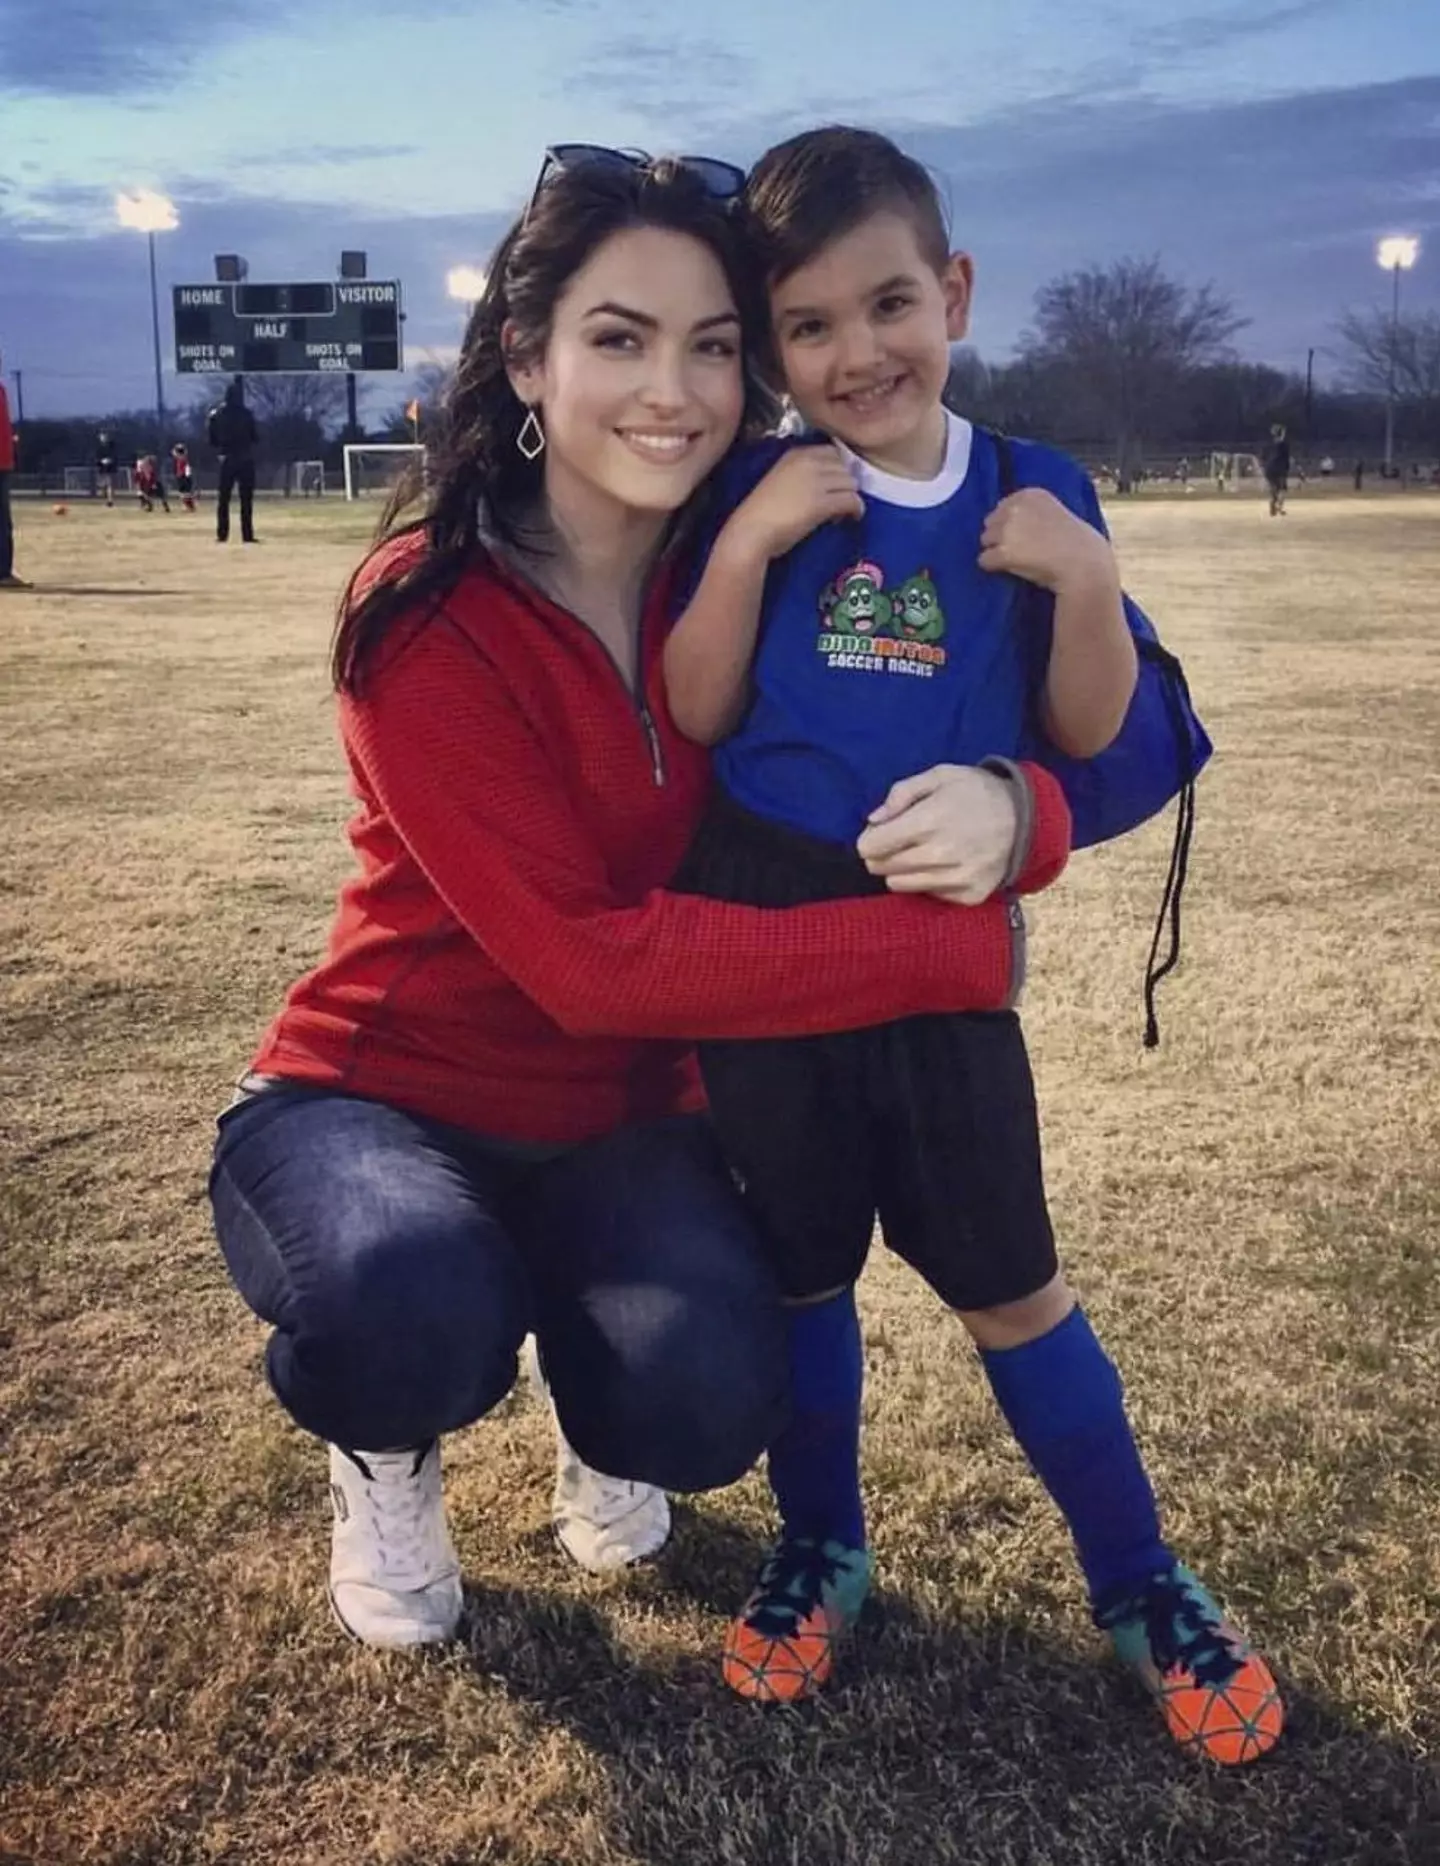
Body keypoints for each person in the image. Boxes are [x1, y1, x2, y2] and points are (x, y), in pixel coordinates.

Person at [207, 146, 1071, 1656]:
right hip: (383, 1097)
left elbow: (1123, 714)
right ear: (528, 357)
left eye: (716, 346)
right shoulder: (424, 608)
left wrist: (1026, 813)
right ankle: (384, 1442)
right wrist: (949, 949)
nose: (672, 389)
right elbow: (594, 968)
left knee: (708, 1388)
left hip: (626, 1119)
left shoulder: (763, 553)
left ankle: (593, 1388)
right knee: (407, 1299)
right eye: (619, 338)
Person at [662, 126, 1281, 1766]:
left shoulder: (1033, 489)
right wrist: (740, 548)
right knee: (804, 1271)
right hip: (765, 944)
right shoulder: (758, 489)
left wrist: (1086, 583)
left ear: (953, 291)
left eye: (886, 307)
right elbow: (700, 707)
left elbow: (1088, 729)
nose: (855, 355)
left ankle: (1144, 1580)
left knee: (1013, 1283)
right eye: (807, 328)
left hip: (938, 969)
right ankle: (822, 1543)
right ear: (772, 347)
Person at [208, 381, 259, 543]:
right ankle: (247, 534)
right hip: (245, 458)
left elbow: (212, 439)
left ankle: (222, 534)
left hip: (226, 458)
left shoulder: (216, 415)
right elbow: (255, 437)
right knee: (246, 500)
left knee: (223, 499)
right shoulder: (247, 414)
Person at [0, 348, 28, 590]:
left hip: (4, 463)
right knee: (1, 522)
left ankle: (3, 571)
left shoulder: (1, 390)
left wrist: (11, 440)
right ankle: (2, 573)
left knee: (3, 522)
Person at [1264, 424, 1291, 517]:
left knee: (1273, 489)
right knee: (1283, 489)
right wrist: (1287, 468)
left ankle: (1272, 506)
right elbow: (1286, 458)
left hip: (1269, 468)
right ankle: (1279, 506)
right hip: (1279, 468)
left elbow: (1264, 456)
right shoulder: (1284, 444)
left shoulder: (1269, 444)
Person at [171, 441, 198, 512]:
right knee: (185, 493)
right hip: (183, 476)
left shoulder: (181, 458)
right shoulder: (183, 457)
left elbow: (174, 453)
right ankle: (189, 506)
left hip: (183, 476)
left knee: (185, 493)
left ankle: (190, 506)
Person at [96, 429, 118, 507]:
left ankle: (110, 501)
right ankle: (107, 500)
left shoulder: (112, 446)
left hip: (110, 468)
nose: (103, 437)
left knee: (110, 485)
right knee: (103, 486)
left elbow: (115, 455)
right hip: (102, 469)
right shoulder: (99, 448)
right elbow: (96, 458)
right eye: (101, 436)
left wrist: (109, 460)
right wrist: (101, 461)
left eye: (104, 436)